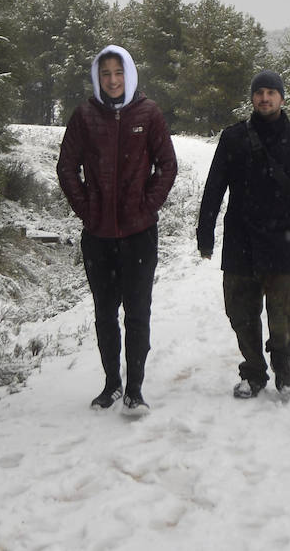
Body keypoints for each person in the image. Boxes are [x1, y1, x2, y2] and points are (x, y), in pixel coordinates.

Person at [56, 45, 177, 413]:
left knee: (137, 312)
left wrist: (146, 206)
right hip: (98, 237)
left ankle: (135, 389)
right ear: (97, 77)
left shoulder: (148, 113)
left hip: (139, 234)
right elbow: (67, 168)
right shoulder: (84, 116)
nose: (112, 80)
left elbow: (167, 166)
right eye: (105, 73)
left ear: (129, 74)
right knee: (105, 313)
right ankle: (111, 383)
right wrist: (87, 209)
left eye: (118, 72)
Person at [196, 69, 290, 398]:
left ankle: (283, 363)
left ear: (282, 97)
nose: (265, 98)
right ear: (252, 98)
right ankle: (253, 370)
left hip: (283, 242)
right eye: (259, 92)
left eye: (271, 92)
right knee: (242, 313)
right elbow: (214, 188)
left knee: (284, 311)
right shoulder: (233, 137)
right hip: (241, 240)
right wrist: (205, 234)